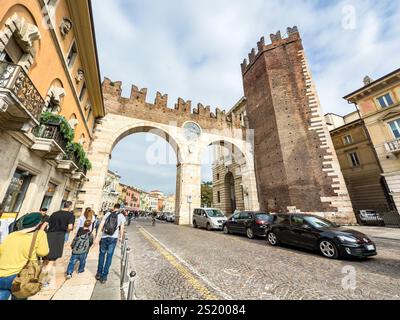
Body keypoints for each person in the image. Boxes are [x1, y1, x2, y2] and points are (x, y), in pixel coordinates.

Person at [0, 212, 49, 300]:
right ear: (38, 223)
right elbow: (43, 252)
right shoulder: (39, 234)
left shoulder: (11, 235)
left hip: (2, 274)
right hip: (21, 276)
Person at [42, 201, 75, 286]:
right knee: (52, 260)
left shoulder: (54, 213)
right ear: (70, 206)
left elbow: (45, 223)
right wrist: (68, 230)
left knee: (45, 259)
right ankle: (45, 281)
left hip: (49, 235)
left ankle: (39, 277)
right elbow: (70, 227)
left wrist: (40, 233)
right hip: (58, 237)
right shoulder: (70, 215)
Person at [94, 204, 125, 284]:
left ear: (114, 207)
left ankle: (98, 273)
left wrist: (97, 236)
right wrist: (120, 237)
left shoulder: (107, 214)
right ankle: (104, 277)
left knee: (101, 255)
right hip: (113, 238)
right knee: (109, 257)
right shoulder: (121, 216)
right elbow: (121, 228)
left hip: (104, 237)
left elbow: (101, 225)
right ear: (119, 208)